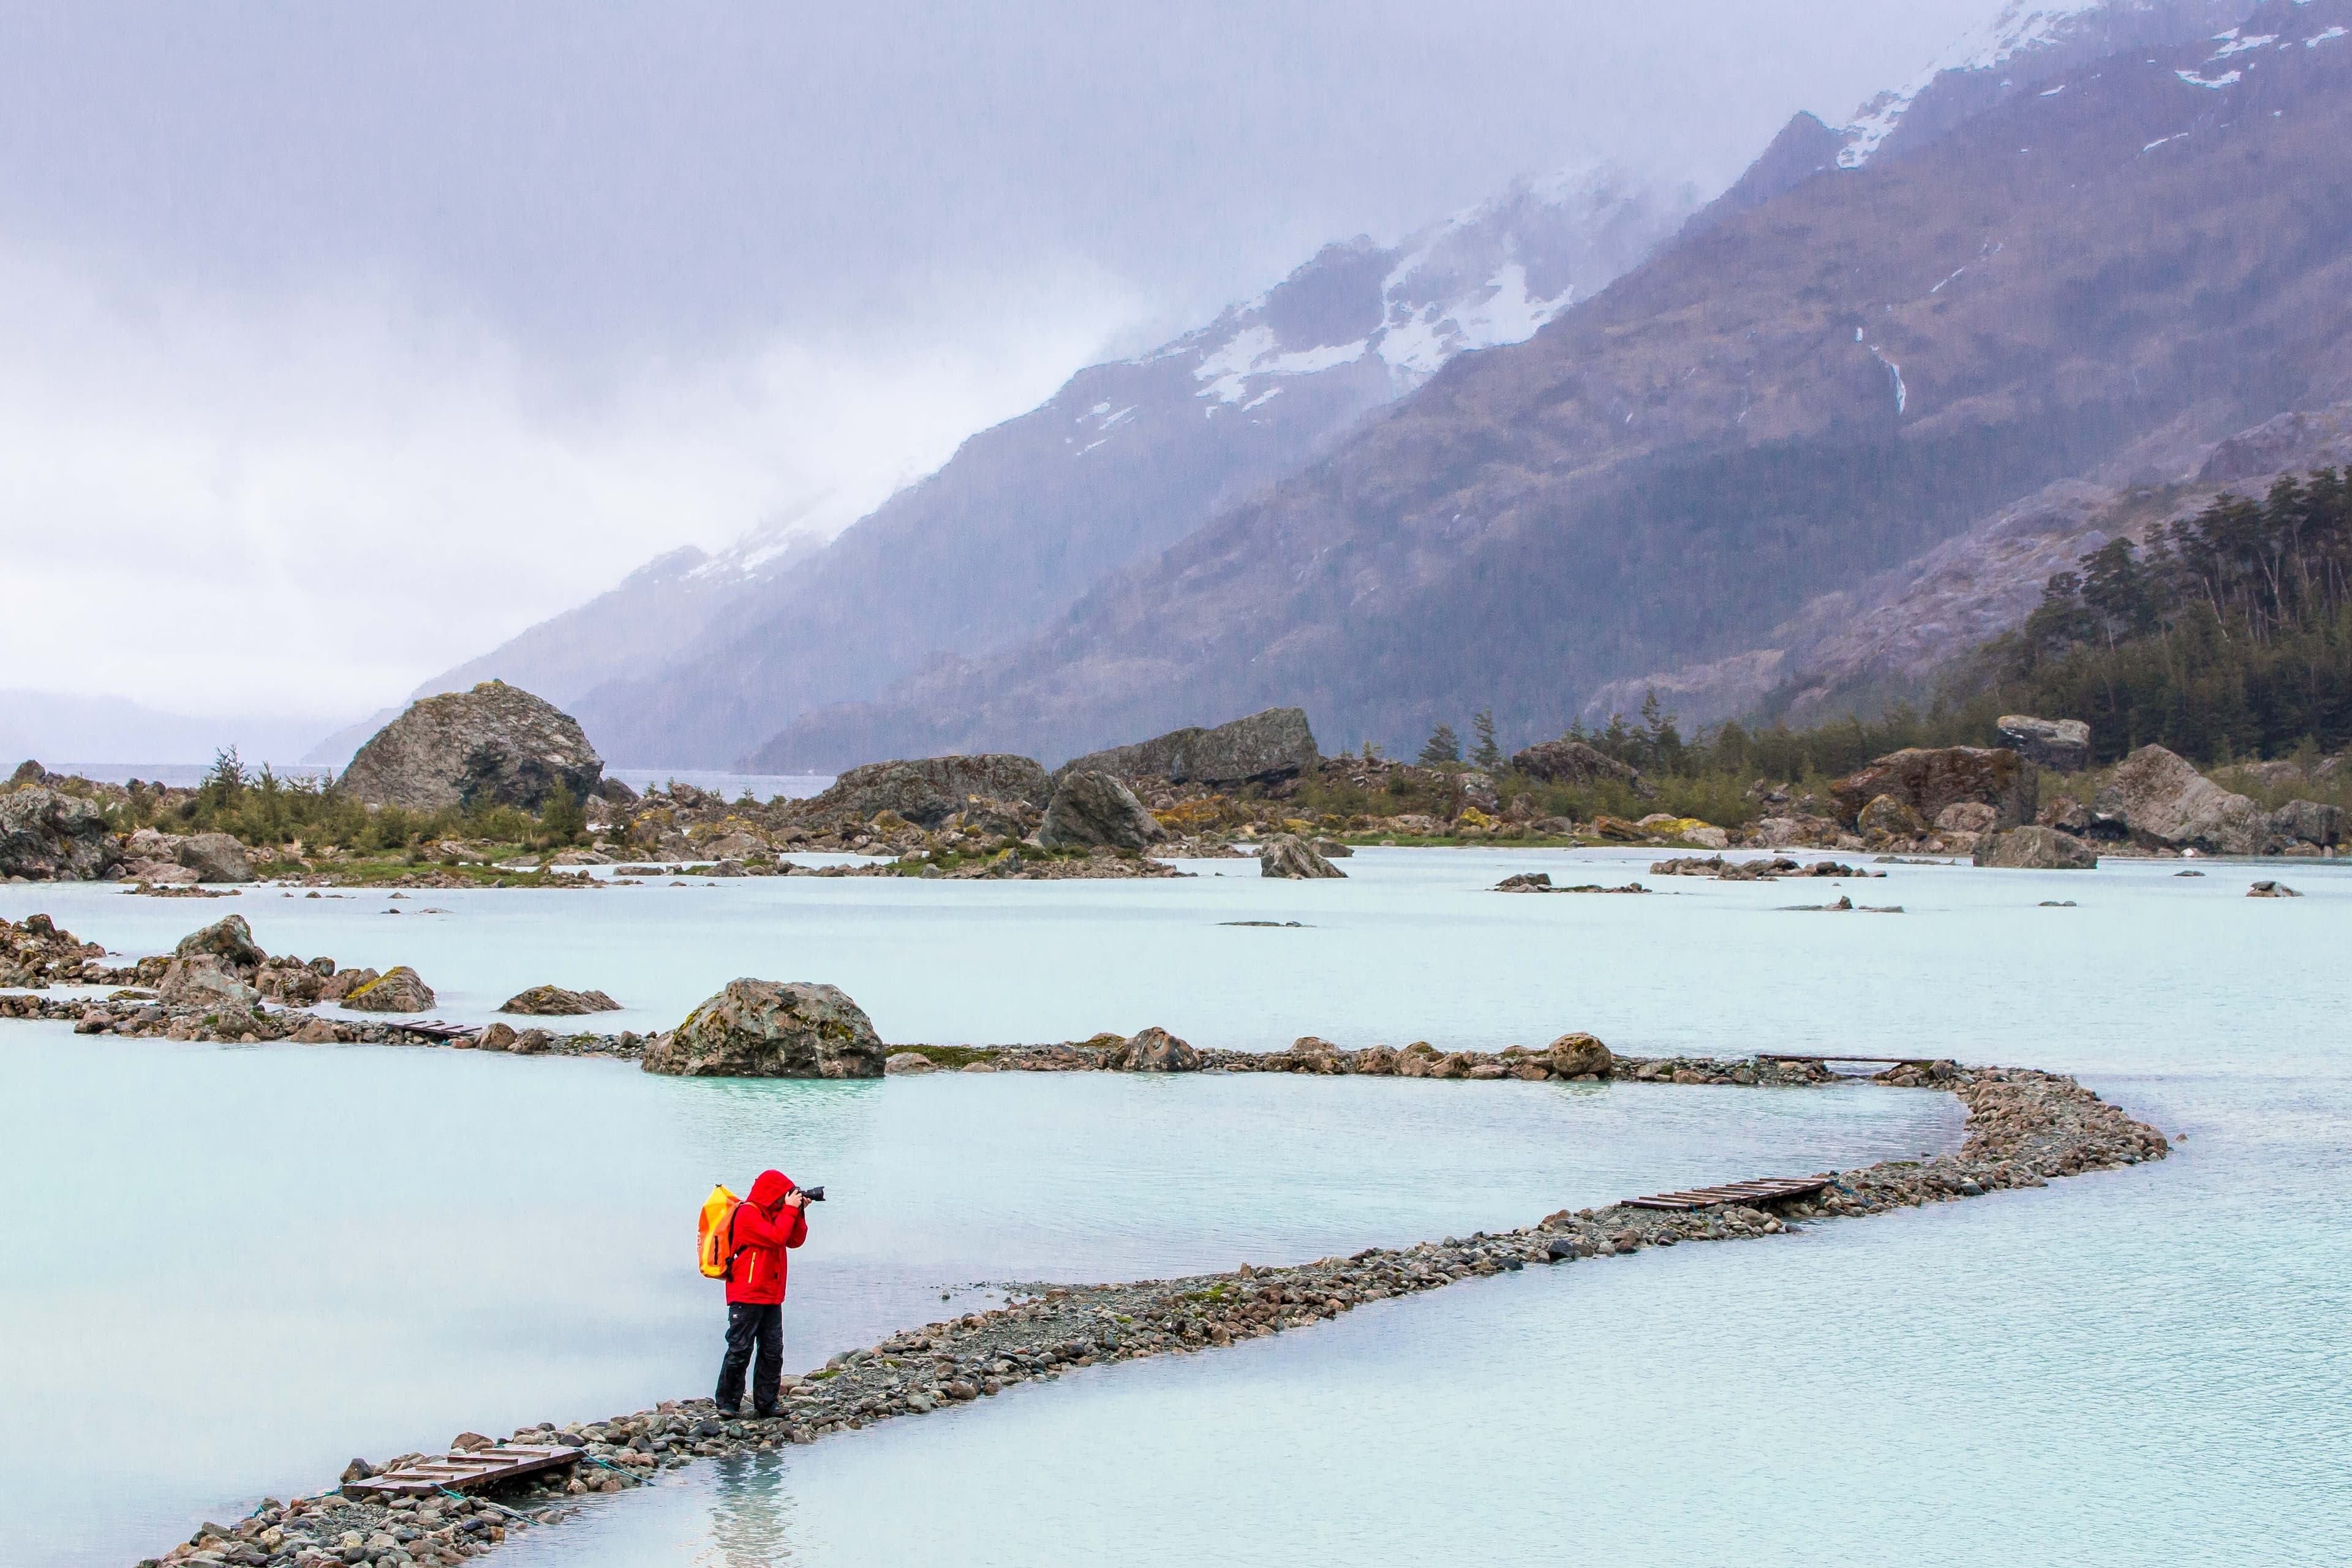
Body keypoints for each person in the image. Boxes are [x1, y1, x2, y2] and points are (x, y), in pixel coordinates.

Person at [715, 1169, 810, 1417]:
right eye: (783, 1195)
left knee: (772, 1350)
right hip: (746, 1293)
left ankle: (767, 1403)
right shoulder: (748, 1214)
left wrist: (798, 1213)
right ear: (772, 1194)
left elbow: (795, 1240)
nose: (785, 1199)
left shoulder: (776, 1215)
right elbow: (777, 1237)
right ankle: (727, 1403)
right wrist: (789, 1210)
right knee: (740, 1349)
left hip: (771, 1294)